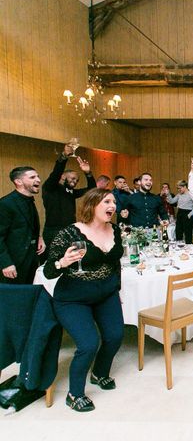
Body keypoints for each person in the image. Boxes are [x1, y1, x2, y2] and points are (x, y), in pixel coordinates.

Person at [43, 188, 124, 412]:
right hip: (73, 298)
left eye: (114, 202)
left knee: (115, 336)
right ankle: (74, 393)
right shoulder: (70, 234)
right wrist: (63, 262)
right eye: (107, 201)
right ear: (92, 205)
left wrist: (116, 289)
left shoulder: (114, 229)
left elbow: (114, 264)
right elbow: (49, 271)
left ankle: (99, 373)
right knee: (88, 344)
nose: (113, 206)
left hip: (106, 294)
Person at [42, 144, 96, 252]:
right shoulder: (50, 187)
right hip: (53, 231)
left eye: (77, 180)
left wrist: (88, 173)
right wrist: (64, 156)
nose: (75, 181)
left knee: (72, 259)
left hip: (70, 229)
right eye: (73, 178)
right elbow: (55, 174)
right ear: (63, 176)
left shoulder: (71, 192)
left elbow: (92, 190)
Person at [0, 167, 45, 284]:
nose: (38, 180)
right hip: (13, 262)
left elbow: (27, 225)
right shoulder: (5, 204)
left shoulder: (29, 200)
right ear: (18, 182)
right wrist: (6, 263)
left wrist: (39, 237)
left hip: (31, 259)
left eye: (38, 176)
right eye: (32, 177)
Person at [167, 180, 193, 244]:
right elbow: (171, 201)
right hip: (179, 213)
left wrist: (190, 214)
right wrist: (168, 194)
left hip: (188, 214)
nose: (178, 190)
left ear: (185, 186)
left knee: (188, 234)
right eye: (177, 188)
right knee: (178, 232)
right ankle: (178, 248)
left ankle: (189, 248)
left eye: (179, 188)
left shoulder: (191, 194)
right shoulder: (179, 194)